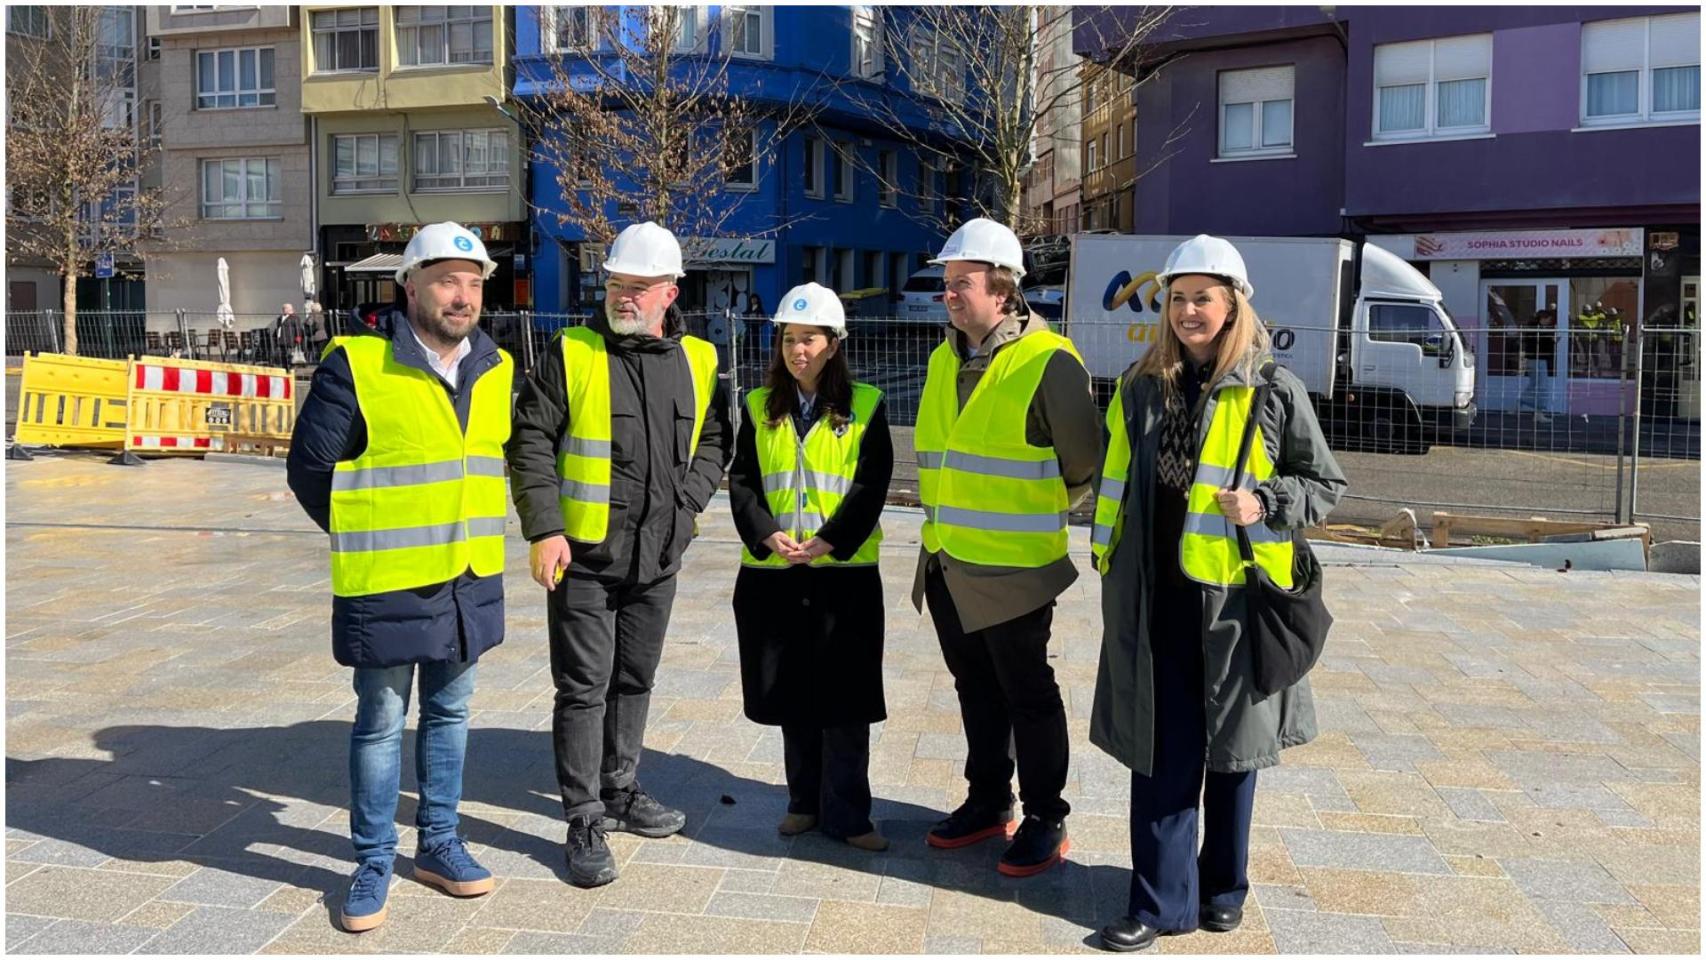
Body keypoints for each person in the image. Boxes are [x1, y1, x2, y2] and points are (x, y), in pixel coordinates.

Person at [1087, 235, 1346, 952]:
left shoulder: (1272, 389)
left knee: (1234, 753)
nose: (1188, 311)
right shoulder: (1140, 388)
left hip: (1235, 602)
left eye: (1203, 298)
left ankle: (1223, 887)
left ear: (1233, 305)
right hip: (1155, 598)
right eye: (1177, 298)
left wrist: (1267, 502)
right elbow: (1115, 484)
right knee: (1160, 751)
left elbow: (1325, 484)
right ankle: (1157, 902)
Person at [285, 221, 511, 933]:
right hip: (387, 580)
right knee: (381, 720)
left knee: (451, 713)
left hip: (467, 578)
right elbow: (310, 468)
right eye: (447, 281)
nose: (462, 296)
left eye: (473, 284)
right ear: (409, 286)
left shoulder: (496, 366)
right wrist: (368, 534)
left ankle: (439, 843)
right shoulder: (357, 363)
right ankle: (373, 858)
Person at [506, 221, 732, 888]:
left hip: (657, 556)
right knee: (584, 687)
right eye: (614, 284)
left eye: (638, 286)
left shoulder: (698, 359)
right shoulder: (573, 352)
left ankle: (622, 788)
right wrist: (544, 529)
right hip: (583, 556)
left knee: (635, 679)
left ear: (669, 293)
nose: (622, 296)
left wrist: (687, 507)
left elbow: (716, 439)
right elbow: (530, 443)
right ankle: (583, 817)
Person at [911, 217, 1103, 877]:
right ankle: (990, 799)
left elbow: (1083, 462)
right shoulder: (943, 357)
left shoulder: (1049, 361)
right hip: (947, 560)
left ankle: (1046, 816)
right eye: (946, 283)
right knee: (975, 687)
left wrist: (1031, 509)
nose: (948, 294)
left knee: (1028, 692)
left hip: (1016, 568)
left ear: (1002, 289)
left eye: (961, 283)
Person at [727, 283, 894, 852]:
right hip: (775, 573)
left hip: (843, 575)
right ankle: (803, 802)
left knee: (845, 701)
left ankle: (849, 815)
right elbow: (744, 480)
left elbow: (871, 486)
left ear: (834, 345)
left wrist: (830, 540)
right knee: (792, 694)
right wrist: (764, 533)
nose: (798, 350)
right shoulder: (758, 406)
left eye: (810, 339)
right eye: (789, 339)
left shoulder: (866, 405)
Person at [1522, 308, 1557, 424]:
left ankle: (1520, 403)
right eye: (1548, 320)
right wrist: (1553, 341)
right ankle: (1538, 413)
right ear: (1543, 319)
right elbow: (1542, 345)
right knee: (1542, 387)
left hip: (1532, 360)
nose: (1549, 322)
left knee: (1533, 385)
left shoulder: (1532, 328)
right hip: (1539, 360)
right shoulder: (1538, 330)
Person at [274, 302, 303, 367]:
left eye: (284, 308)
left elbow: (298, 329)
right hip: (281, 340)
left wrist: (298, 339)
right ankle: (285, 367)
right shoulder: (280, 318)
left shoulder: (295, 317)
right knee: (282, 355)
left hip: (290, 340)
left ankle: (290, 367)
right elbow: (278, 328)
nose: (283, 310)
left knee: (289, 355)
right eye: (283, 308)